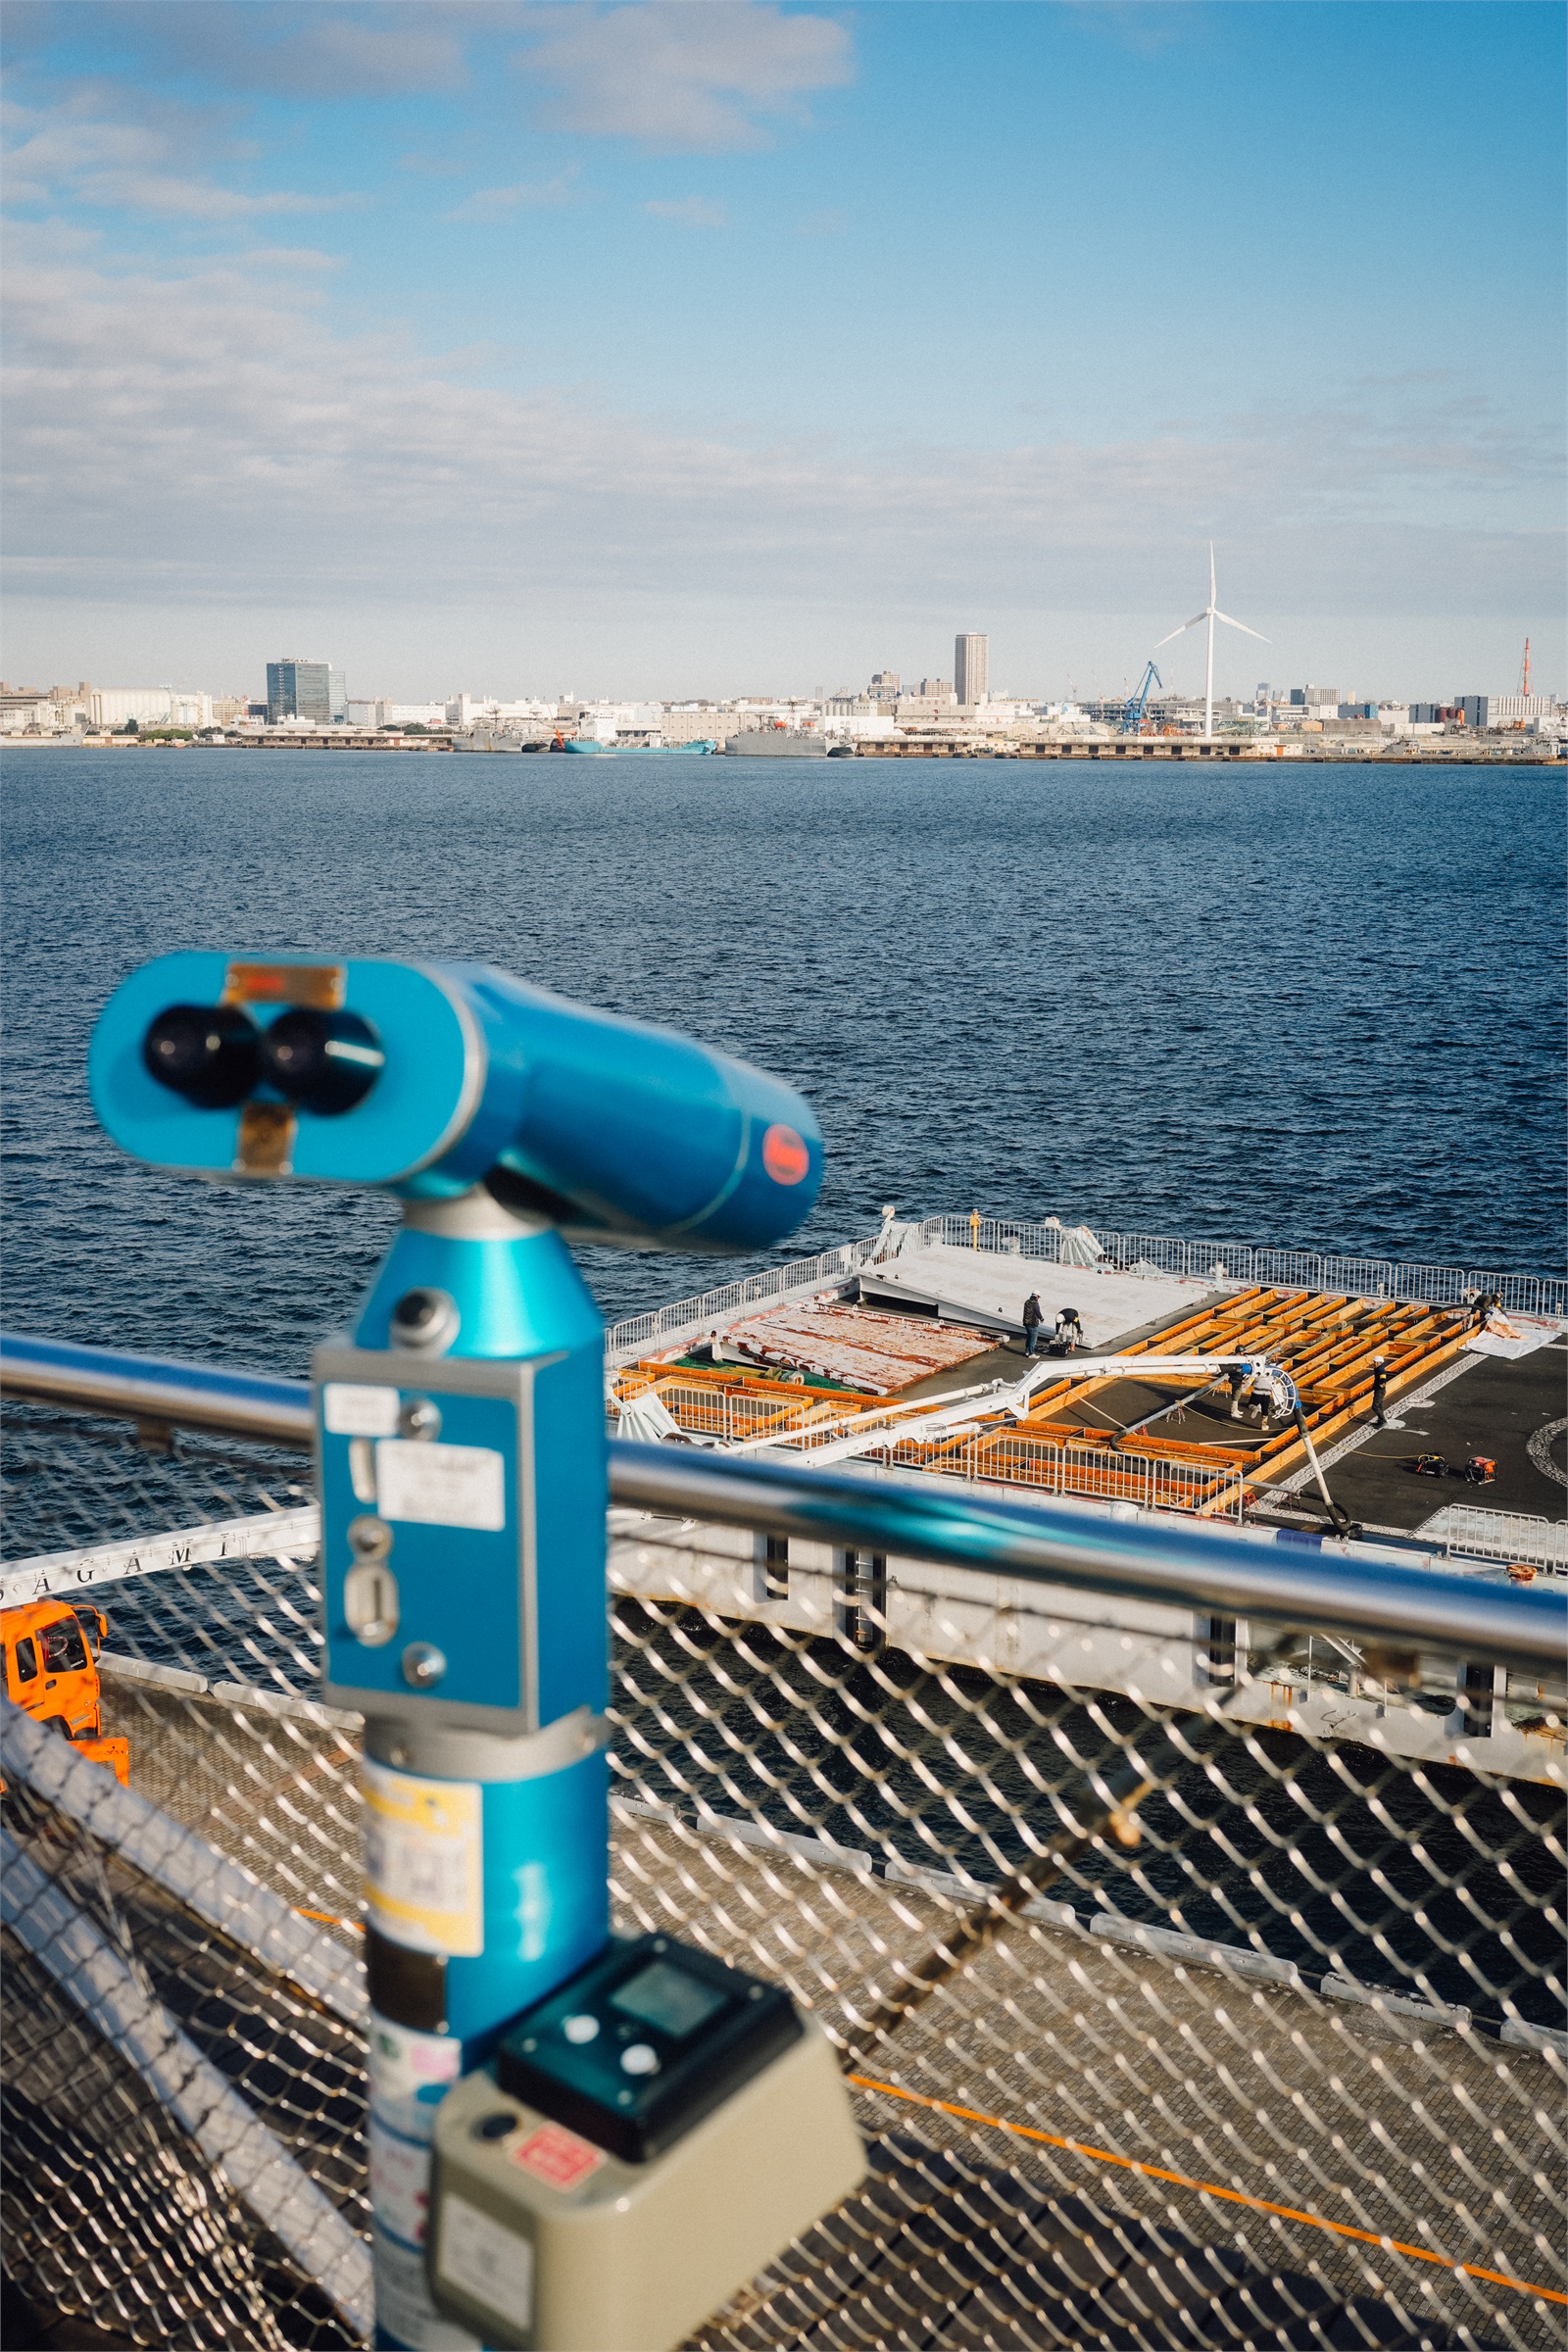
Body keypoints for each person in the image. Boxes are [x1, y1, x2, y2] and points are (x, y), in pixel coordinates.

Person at [1371, 1355, 1388, 1427]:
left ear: (1379, 1363)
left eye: (1375, 1362)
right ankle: (1381, 1420)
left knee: (1375, 1406)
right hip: (1378, 1389)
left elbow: (1383, 1378)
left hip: (1380, 1391)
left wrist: (1382, 1384)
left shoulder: (1380, 1370)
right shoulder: (1378, 1369)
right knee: (1380, 1406)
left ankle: (1382, 1421)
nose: (1374, 1363)